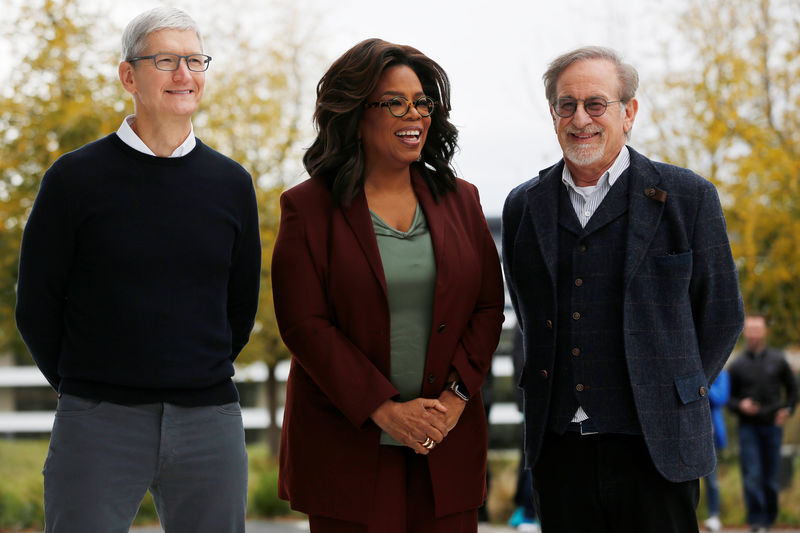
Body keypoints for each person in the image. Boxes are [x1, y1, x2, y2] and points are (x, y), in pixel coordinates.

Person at [15, 7, 260, 533]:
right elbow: (36, 304)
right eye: (166, 60)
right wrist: (86, 386)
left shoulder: (232, 184)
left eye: (195, 60)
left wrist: (194, 374)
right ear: (129, 75)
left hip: (209, 421)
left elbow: (239, 306)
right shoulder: (73, 179)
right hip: (98, 419)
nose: (184, 75)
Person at [501, 46, 744, 533]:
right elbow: (528, 317)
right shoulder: (523, 206)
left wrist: (675, 391)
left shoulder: (689, 197)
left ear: (628, 112)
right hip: (559, 449)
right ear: (553, 114)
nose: (580, 118)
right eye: (565, 105)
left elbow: (720, 316)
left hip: (657, 447)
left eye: (596, 103)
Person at [271, 38, 505, 533]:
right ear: (356, 112)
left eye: (421, 102)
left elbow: (488, 307)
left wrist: (455, 399)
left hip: (445, 445)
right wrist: (384, 409)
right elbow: (304, 324)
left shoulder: (462, 200)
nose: (413, 114)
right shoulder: (308, 208)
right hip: (345, 451)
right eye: (395, 102)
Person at [727, 315, 798, 533]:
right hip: (748, 427)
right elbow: (728, 399)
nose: (754, 333)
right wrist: (741, 405)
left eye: (758, 329)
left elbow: (794, 390)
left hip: (773, 426)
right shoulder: (737, 364)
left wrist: (787, 410)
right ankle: (756, 521)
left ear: (764, 331)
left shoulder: (778, 360)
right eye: (750, 329)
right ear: (745, 332)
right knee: (752, 474)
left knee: (771, 477)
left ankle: (770, 518)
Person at [703, 369, 730, 532]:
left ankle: (713, 515)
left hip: (710, 435)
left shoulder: (721, 372)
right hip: (685, 432)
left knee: (711, 480)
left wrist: (700, 387)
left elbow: (721, 398)